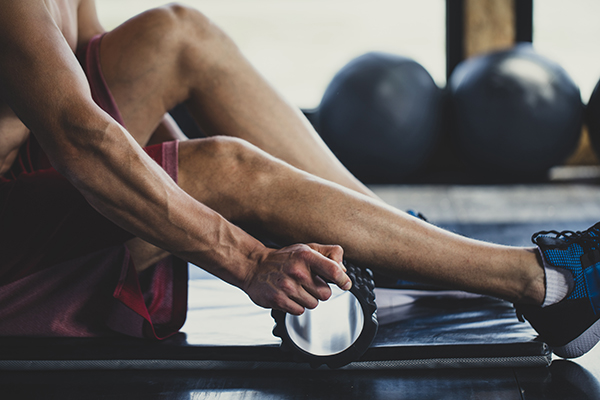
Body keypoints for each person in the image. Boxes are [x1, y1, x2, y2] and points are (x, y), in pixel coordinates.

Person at [0, 0, 598, 358]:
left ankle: (396, 249)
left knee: (176, 35)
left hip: (28, 172)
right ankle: (548, 287)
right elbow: (82, 139)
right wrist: (248, 257)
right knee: (227, 165)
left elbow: (96, 93)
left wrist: (259, 208)